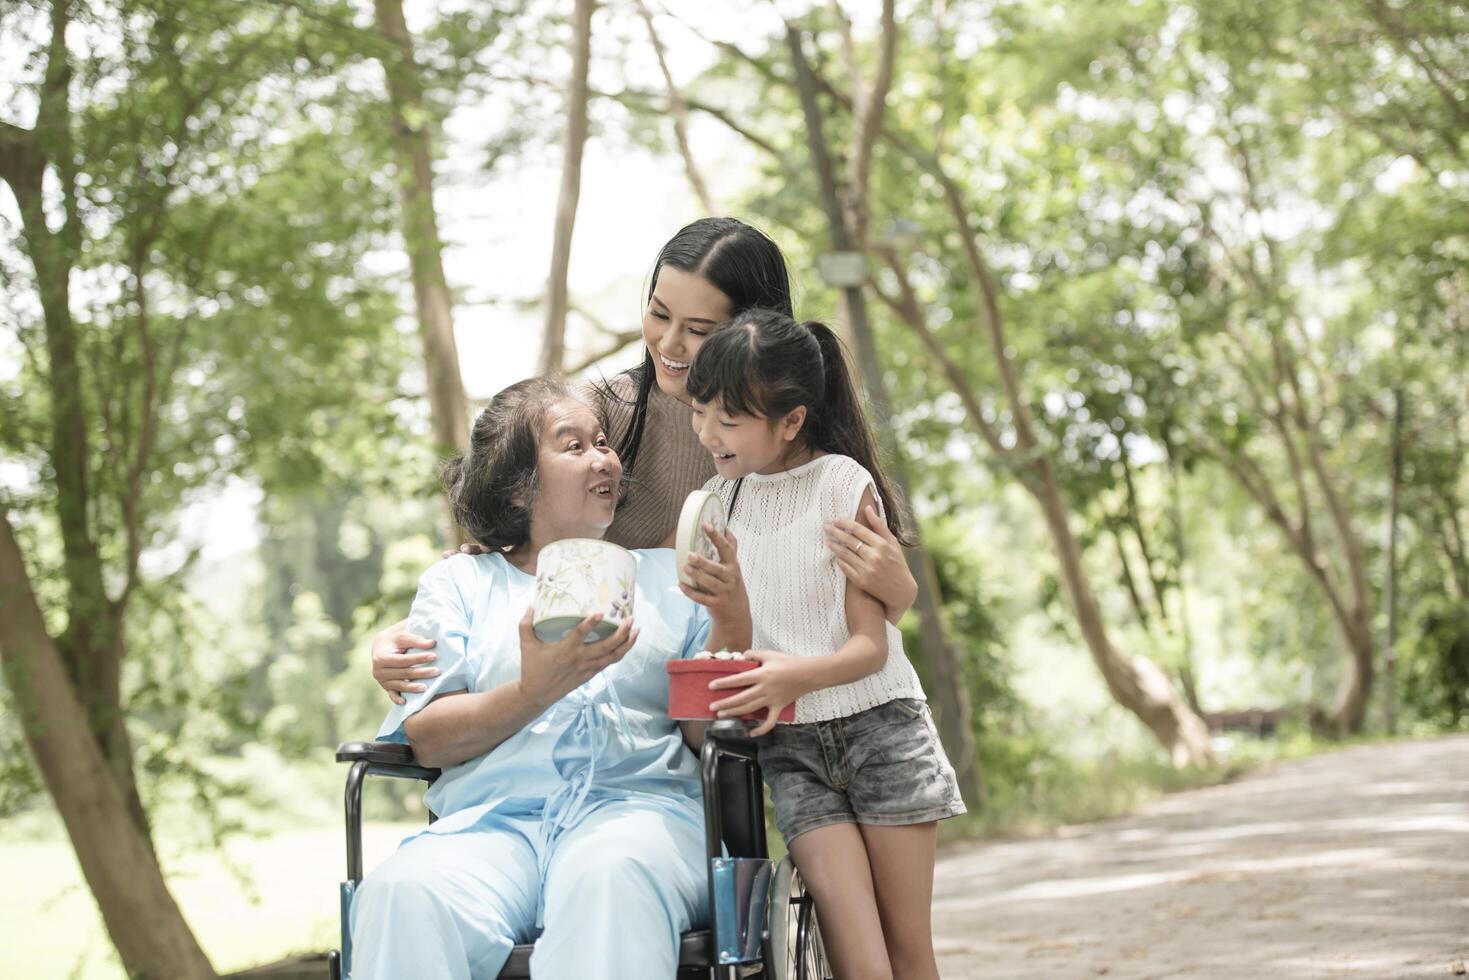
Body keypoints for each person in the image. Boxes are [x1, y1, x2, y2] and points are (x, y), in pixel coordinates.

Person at [371, 217, 917, 702]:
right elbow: (527, 538)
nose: (670, 344)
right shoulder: (608, 411)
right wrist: (403, 636)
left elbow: (840, 601)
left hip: (756, 690)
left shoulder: (788, 445)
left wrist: (900, 590)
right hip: (627, 684)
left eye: (700, 331)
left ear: (753, 337)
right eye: (658, 314)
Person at [348, 378, 751, 980]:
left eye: (604, 443)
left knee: (609, 876)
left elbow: (703, 733)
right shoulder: (459, 585)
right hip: (493, 825)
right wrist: (533, 691)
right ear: (518, 487)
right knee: (402, 892)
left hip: (639, 815)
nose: (604, 459)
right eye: (574, 446)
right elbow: (428, 739)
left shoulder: (671, 578)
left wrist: (727, 620)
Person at [683, 308, 966, 980]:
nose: (707, 433)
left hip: (881, 733)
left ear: (790, 421)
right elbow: (735, 646)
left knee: (907, 953)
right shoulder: (717, 503)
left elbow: (870, 647)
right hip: (792, 752)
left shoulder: (842, 484)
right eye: (701, 413)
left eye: (728, 419)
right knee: (858, 962)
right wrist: (728, 614)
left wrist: (792, 677)